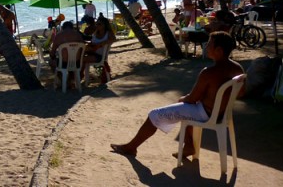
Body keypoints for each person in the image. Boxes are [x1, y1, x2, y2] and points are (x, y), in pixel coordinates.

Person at [110, 32, 245, 157]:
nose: (206, 46)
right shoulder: (237, 68)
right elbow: (241, 93)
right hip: (221, 114)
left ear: (219, 50)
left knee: (154, 115)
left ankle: (131, 147)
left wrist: (183, 98)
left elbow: (192, 99)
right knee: (185, 110)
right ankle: (189, 146)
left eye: (210, 44)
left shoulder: (208, 72)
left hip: (204, 113)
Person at [49, 21, 85, 89]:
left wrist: (52, 57)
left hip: (63, 63)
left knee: (51, 62)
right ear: (72, 27)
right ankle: (70, 81)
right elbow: (83, 48)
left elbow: (52, 52)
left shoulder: (59, 35)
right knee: (72, 63)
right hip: (77, 63)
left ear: (63, 28)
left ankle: (63, 80)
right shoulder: (78, 35)